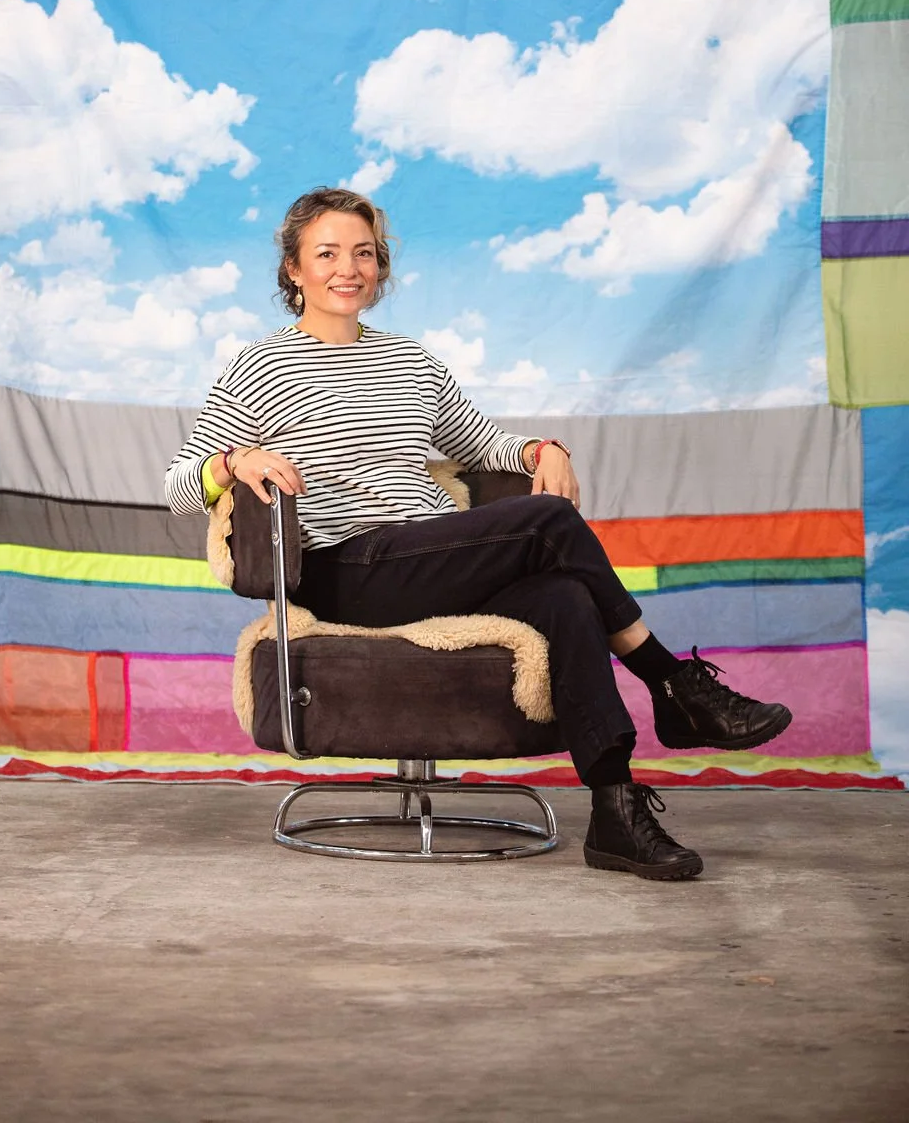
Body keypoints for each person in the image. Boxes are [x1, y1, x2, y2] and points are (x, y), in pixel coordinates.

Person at [166, 187, 792, 882]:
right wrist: (234, 461)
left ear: (380, 266)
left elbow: (483, 442)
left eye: (364, 253)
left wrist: (540, 450)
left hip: (430, 556)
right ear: (293, 269)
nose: (348, 269)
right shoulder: (261, 365)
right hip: (346, 568)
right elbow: (177, 484)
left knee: (566, 598)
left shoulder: (411, 361)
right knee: (552, 521)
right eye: (327, 254)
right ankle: (673, 684)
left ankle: (615, 809)